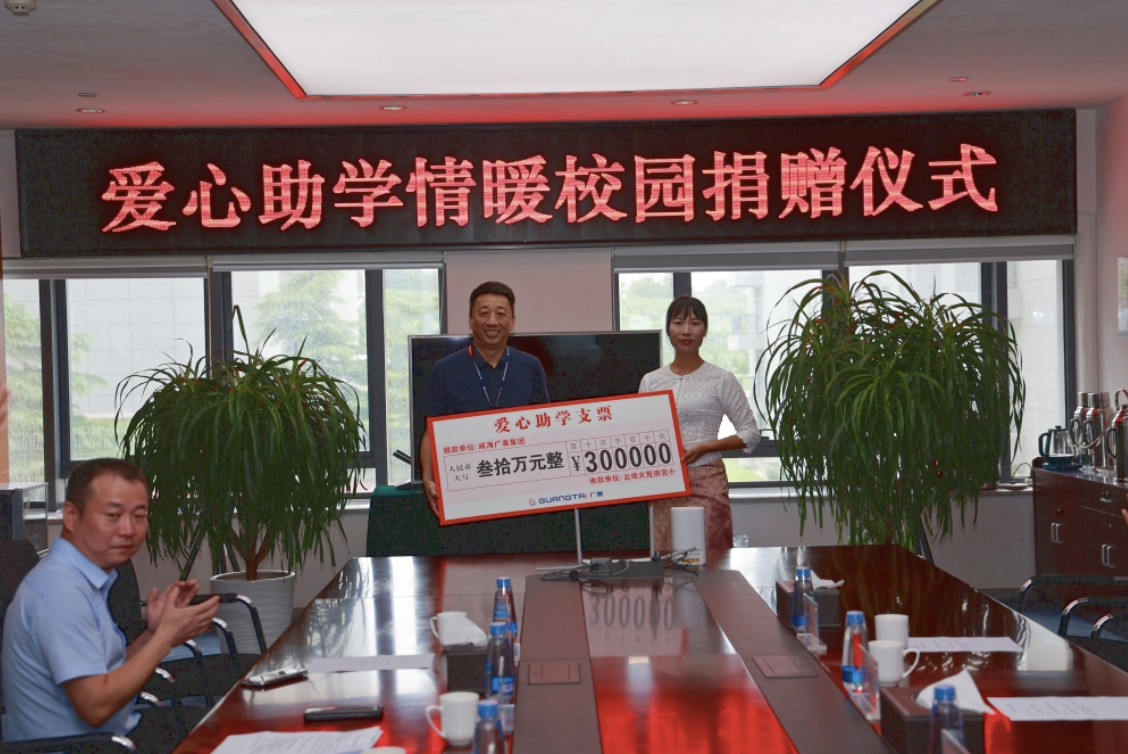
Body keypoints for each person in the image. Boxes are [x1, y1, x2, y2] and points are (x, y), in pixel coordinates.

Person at [2, 458, 220, 746]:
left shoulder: (78, 577)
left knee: (227, 725)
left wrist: (153, 632)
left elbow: (105, 671)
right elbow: (95, 708)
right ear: (71, 516)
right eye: (113, 515)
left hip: (110, 737)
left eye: (139, 516)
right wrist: (166, 637)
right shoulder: (61, 592)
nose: (128, 529)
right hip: (82, 747)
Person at [418, 281, 550, 516]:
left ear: (512, 322)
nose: (492, 321)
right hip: (464, 496)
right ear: (471, 320)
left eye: (501, 314)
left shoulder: (530, 366)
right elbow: (431, 430)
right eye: (484, 313)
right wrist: (427, 479)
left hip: (521, 494)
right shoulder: (446, 369)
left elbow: (545, 426)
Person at [639, 296, 761, 550]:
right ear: (668, 328)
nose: (686, 331)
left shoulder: (721, 379)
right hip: (665, 480)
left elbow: (750, 433)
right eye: (678, 322)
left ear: (705, 330)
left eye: (695, 323)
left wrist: (706, 447)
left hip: (707, 478)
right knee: (667, 556)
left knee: (711, 554)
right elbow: (641, 435)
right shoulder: (651, 381)